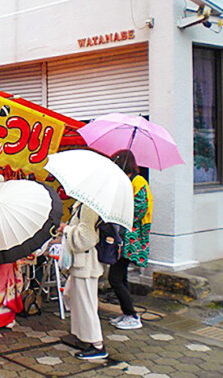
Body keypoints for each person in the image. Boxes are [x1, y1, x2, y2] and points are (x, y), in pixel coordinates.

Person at [109, 149, 153, 330]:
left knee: (115, 278)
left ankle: (133, 315)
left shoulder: (138, 182)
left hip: (132, 239)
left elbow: (139, 209)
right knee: (121, 276)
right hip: (126, 237)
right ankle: (126, 313)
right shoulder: (129, 182)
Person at [63, 202, 108, 360]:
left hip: (86, 264)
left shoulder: (89, 206)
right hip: (82, 264)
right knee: (75, 299)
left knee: (86, 304)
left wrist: (66, 230)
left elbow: (87, 238)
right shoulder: (83, 204)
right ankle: (84, 337)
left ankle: (97, 345)